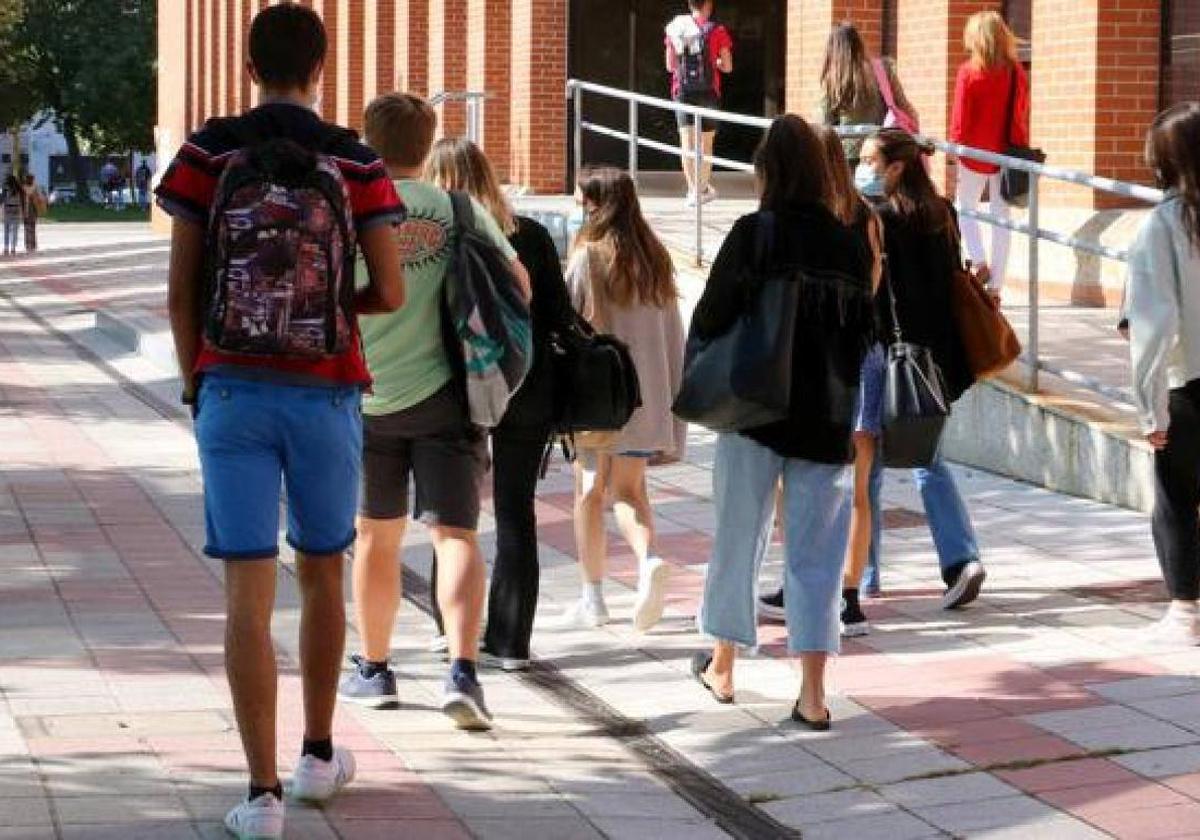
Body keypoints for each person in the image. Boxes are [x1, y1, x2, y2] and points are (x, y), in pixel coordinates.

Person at [155, 6, 406, 839]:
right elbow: (393, 291)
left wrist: (202, 379)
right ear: (320, 65)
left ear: (248, 62)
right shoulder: (358, 158)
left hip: (231, 389)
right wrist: (332, 308)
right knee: (323, 571)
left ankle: (260, 798)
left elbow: (182, 288)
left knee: (245, 591)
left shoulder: (206, 152)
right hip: (327, 391)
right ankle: (318, 755)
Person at [338, 93, 531, 728]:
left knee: (376, 535)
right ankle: (463, 672)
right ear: (429, 143)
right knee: (455, 535)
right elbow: (518, 284)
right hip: (448, 396)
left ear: (369, 140)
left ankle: (375, 669)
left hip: (366, 395)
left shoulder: (351, 204)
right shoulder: (457, 207)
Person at [691, 114, 875, 726]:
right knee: (817, 556)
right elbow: (864, 336)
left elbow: (711, 318)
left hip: (753, 413)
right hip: (826, 417)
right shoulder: (850, 240)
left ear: (767, 170)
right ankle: (814, 693)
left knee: (736, 538)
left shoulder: (754, 234)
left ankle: (723, 664)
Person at [425, 138, 575, 671]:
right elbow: (558, 316)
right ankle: (511, 642)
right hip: (526, 387)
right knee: (516, 514)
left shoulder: (436, 239)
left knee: (450, 515)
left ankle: (451, 627)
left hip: (455, 389)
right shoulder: (529, 236)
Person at [757, 128, 883, 637]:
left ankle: (800, 584)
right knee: (858, 488)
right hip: (863, 353)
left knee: (797, 483)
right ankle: (850, 592)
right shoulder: (867, 219)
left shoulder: (811, 222)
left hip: (817, 361)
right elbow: (869, 289)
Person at [856, 129, 985, 609]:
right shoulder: (942, 212)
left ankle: (863, 574)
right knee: (927, 457)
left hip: (885, 352)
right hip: (934, 358)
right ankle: (961, 558)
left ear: (895, 168)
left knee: (865, 464)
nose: (862, 166)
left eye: (870, 159)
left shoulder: (876, 217)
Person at [553, 166, 685, 632]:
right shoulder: (655, 258)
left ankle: (593, 597)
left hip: (599, 398)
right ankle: (648, 559)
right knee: (630, 491)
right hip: (646, 394)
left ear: (594, 204)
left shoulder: (588, 257)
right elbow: (674, 333)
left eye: (579, 200)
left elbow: (566, 322)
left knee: (589, 492)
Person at [1125, 102, 1200, 646]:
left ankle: (1185, 610)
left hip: (1187, 382)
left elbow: (1154, 323)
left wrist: (1149, 407)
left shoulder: (1164, 224)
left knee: (1176, 497)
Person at [949, 11, 1030, 298]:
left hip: (973, 151)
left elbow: (960, 118)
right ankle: (996, 287)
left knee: (965, 208)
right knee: (1002, 219)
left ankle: (979, 260)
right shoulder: (1016, 71)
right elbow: (1020, 115)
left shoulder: (968, 72)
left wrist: (953, 147)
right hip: (1005, 153)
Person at [820, 22, 918, 169]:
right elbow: (903, 106)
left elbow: (825, 125)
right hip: (882, 152)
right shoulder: (883, 69)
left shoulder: (833, 80)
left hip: (847, 157)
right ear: (859, 44)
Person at [664, 0, 733, 207]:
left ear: (690, 4)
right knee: (706, 143)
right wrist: (717, 63)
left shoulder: (676, 28)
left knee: (687, 142)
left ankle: (693, 191)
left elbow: (670, 66)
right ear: (709, 6)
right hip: (709, 92)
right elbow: (728, 67)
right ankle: (702, 189)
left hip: (683, 91)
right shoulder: (717, 30)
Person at [21, 174, 45, 253]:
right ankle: (33, 245)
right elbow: (40, 198)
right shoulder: (35, 188)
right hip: (33, 210)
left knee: (27, 229)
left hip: (26, 210)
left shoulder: (23, 188)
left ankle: (28, 245)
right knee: (32, 228)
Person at [1, 174, 22, 256]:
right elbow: (22, 200)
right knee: (15, 230)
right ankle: (13, 248)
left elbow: (2, 200)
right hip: (16, 209)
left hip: (7, 209)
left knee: (6, 230)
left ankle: (6, 248)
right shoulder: (18, 189)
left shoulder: (5, 189)